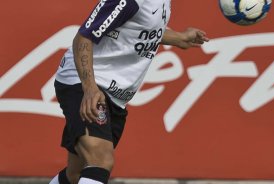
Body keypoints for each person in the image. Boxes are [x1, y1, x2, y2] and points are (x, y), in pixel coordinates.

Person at [50, 0, 209, 183]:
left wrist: (180, 38)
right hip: (85, 82)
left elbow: (141, 28)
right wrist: (90, 89)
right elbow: (83, 38)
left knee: (75, 173)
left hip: (115, 95)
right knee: (101, 161)